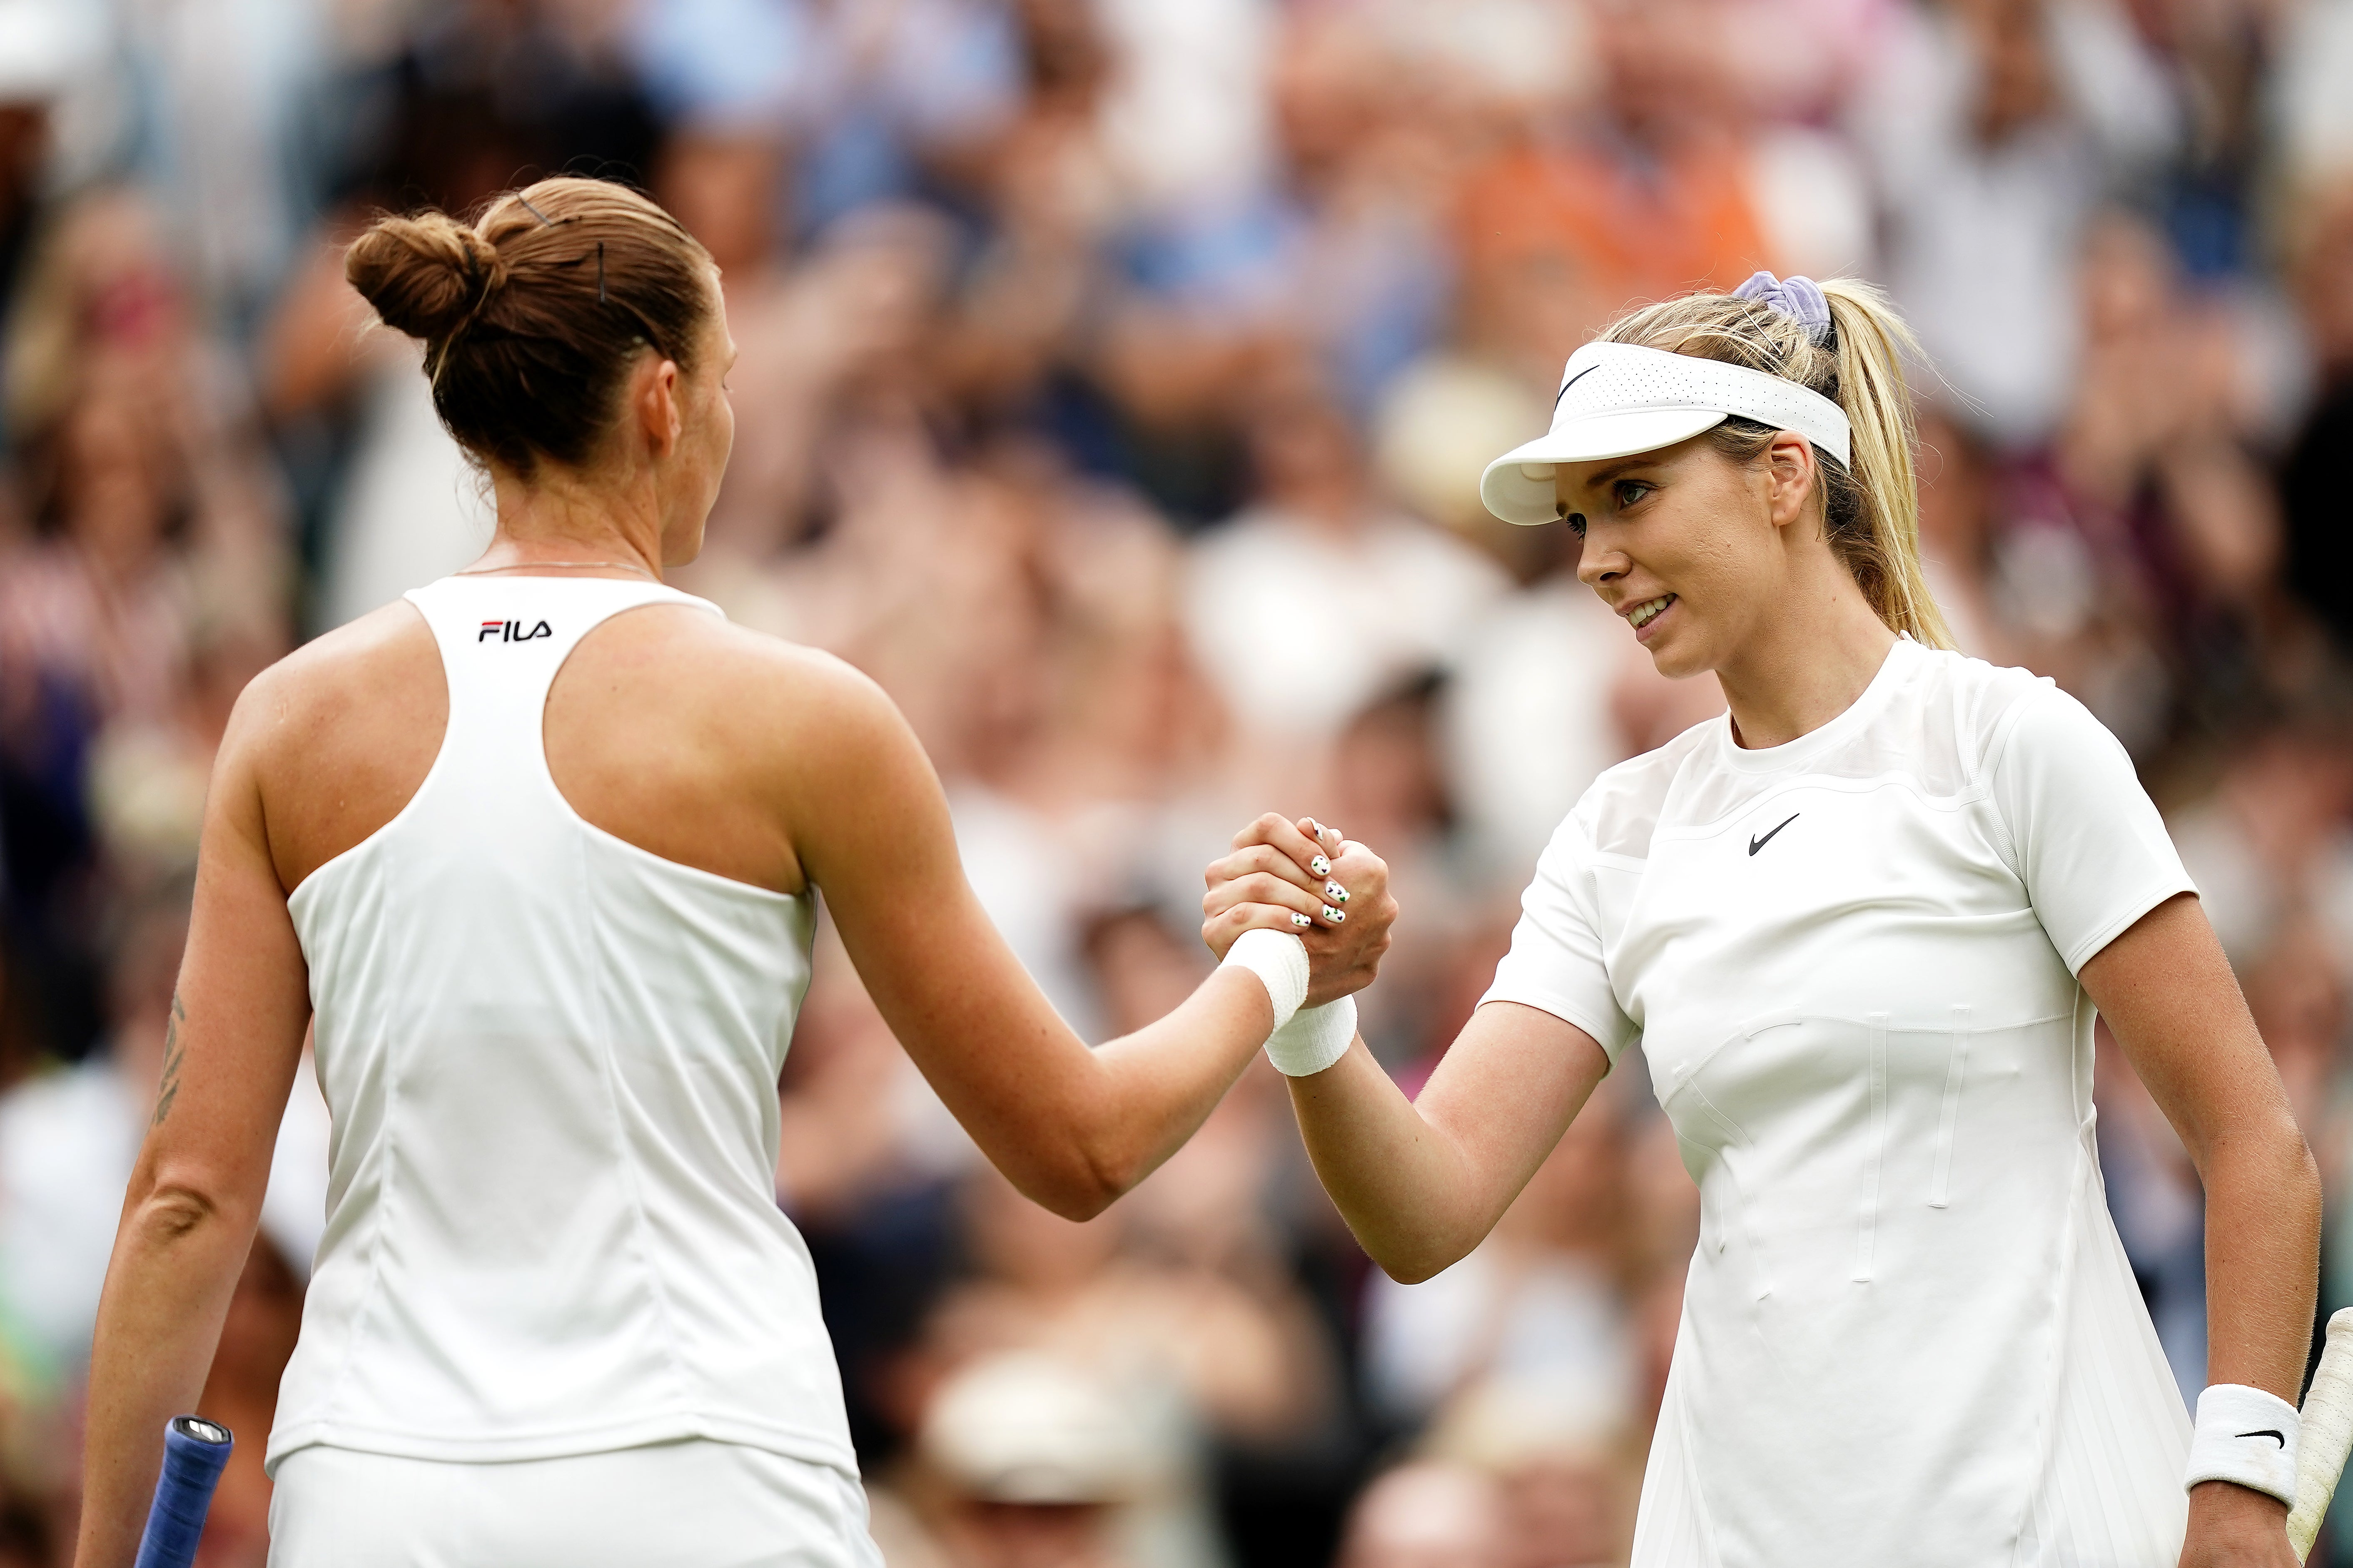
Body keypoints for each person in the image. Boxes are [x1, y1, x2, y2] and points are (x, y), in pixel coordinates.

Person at [70, 175, 1396, 1568]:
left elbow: (185, 1199)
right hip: (707, 1484)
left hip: (383, 1491)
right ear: (659, 399)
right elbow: (1078, 1147)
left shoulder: (291, 717)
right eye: (725, 380)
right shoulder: (802, 716)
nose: (729, 420)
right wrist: (1280, 959)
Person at [1203, 271, 2319, 1565]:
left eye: (1630, 494)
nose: (1593, 559)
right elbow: (1428, 1211)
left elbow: (2252, 1145)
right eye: (1576, 518)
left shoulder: (2011, 747)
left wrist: (2237, 1487)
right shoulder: (1619, 832)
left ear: (1782, 474)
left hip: (2046, 1520)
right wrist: (1313, 1015)